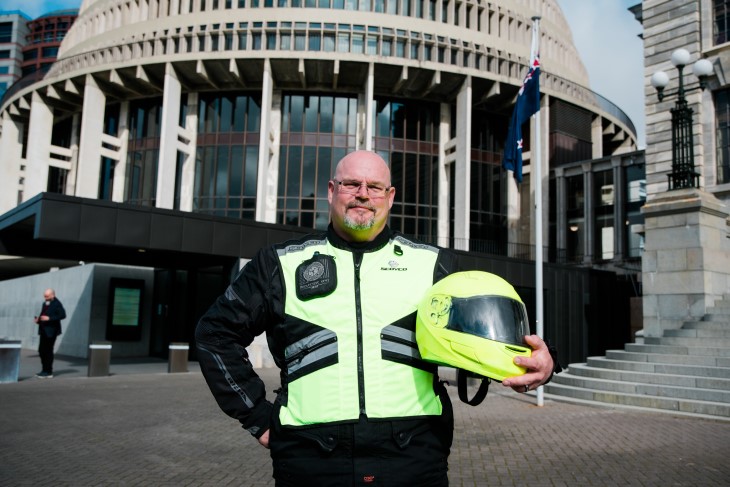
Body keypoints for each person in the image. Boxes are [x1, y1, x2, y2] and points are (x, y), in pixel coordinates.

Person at [196, 150, 557, 486]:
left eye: (375, 187)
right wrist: (257, 417)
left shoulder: (432, 264)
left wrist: (539, 361)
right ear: (332, 191)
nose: (363, 194)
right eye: (352, 184)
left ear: (391, 196)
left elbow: (486, 331)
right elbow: (214, 333)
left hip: (412, 455)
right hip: (310, 460)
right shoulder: (280, 263)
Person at [34, 288, 66, 379]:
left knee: (48, 351)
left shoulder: (57, 304)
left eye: (47, 296)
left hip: (51, 331)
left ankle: (48, 371)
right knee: (41, 351)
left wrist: (49, 318)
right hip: (44, 330)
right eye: (44, 296)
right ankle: (44, 370)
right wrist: (38, 320)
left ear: (53, 295)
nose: (45, 298)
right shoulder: (45, 303)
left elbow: (63, 315)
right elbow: (43, 315)